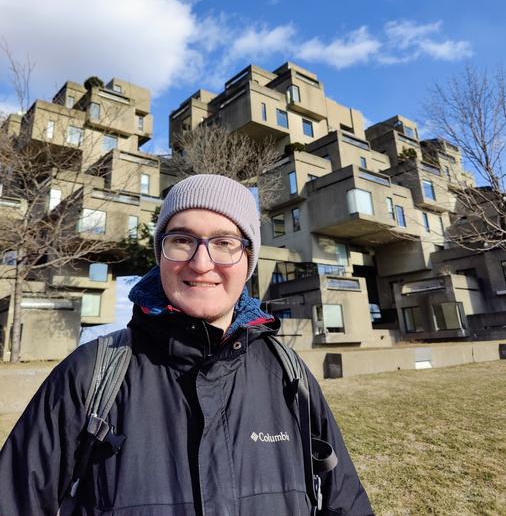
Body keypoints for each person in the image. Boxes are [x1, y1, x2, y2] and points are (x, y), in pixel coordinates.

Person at [0, 173, 373, 515]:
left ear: (248, 260)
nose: (200, 262)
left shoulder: (289, 375)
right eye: (181, 240)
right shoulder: (87, 375)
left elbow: (344, 502)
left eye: (225, 243)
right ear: (160, 253)